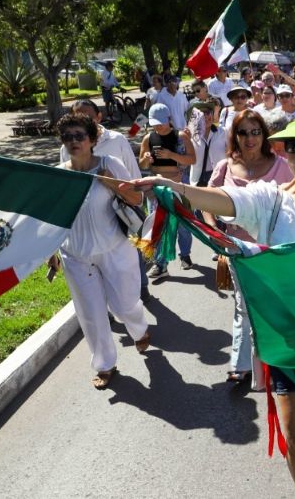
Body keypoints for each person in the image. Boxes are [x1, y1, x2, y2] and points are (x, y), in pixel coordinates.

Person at [129, 117, 295, 499]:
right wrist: (174, 186)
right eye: (294, 146)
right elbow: (225, 200)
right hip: (286, 338)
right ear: (285, 152)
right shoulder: (269, 198)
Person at [52, 113, 150, 389]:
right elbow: (54, 216)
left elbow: (137, 198)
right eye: (67, 137)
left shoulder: (110, 164)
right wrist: (51, 252)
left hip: (114, 248)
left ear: (92, 140)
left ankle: (139, 328)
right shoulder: (58, 174)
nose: (73, 141)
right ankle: (105, 364)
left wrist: (110, 182)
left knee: (125, 304)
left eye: (79, 136)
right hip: (76, 254)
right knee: (91, 313)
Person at [203, 110, 293, 386]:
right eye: (243, 132)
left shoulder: (282, 165)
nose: (250, 138)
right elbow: (208, 199)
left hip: (274, 249)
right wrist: (214, 230)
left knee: (275, 304)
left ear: (264, 135)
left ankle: (280, 357)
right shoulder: (225, 167)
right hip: (237, 249)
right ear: (235, 136)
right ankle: (241, 365)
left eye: (255, 131)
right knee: (243, 305)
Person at [63, 99, 151, 302]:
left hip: (120, 209)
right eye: (78, 117)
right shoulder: (67, 147)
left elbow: (133, 172)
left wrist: (132, 192)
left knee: (129, 249)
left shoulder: (116, 139)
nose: (83, 121)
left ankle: (140, 286)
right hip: (90, 220)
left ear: (99, 116)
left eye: (88, 117)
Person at [138, 104, 196, 278]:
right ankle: (160, 263)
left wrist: (171, 155)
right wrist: (146, 159)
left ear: (168, 119)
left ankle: (185, 254)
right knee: (158, 224)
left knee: (183, 224)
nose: (158, 127)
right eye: (155, 123)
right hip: (157, 188)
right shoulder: (148, 138)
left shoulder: (181, 136)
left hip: (179, 184)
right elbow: (141, 163)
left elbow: (192, 159)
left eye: (161, 123)